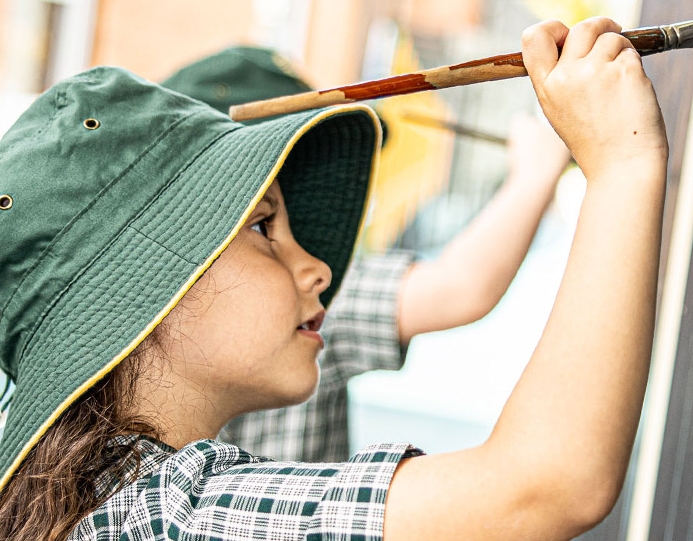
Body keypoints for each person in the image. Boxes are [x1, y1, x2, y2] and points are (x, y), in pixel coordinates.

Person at [0, 18, 668, 541]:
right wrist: (623, 167)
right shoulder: (180, 532)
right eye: (264, 228)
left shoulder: (92, 529)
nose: (315, 266)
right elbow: (548, 483)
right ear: (148, 292)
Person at [163, 46, 575, 462]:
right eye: (263, 222)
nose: (319, 269)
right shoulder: (309, 293)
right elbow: (458, 289)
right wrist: (534, 173)